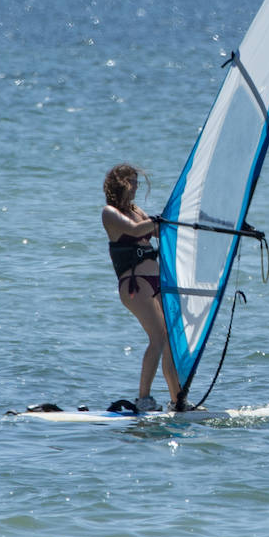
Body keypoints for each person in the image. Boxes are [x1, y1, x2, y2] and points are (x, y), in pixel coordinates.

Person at [101, 163, 195, 412]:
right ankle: (144, 399)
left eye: (136, 182)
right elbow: (135, 229)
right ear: (119, 184)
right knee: (159, 337)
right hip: (135, 285)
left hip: (156, 283)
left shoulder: (136, 210)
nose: (135, 187)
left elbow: (156, 229)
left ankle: (178, 400)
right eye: (131, 182)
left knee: (170, 339)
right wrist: (156, 221)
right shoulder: (109, 212)